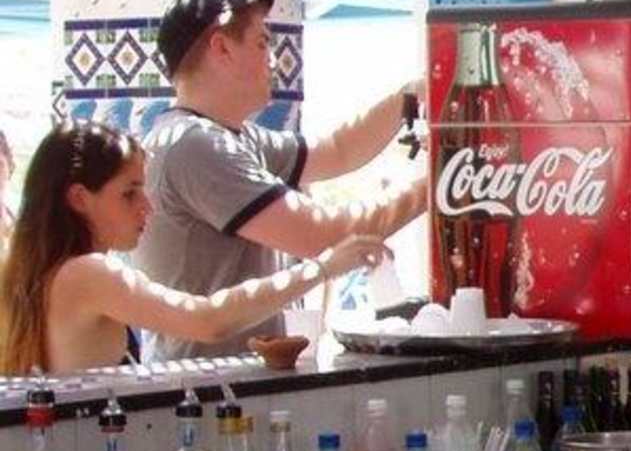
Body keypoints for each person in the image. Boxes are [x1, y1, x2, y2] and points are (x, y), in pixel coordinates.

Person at [134, 0, 425, 362]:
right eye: (262, 43)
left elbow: (338, 151)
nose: (273, 60)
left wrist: (411, 96)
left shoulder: (232, 136)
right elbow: (325, 236)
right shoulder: (195, 146)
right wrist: (442, 181)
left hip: (231, 376)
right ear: (221, 47)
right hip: (205, 382)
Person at [0, 121, 385, 375]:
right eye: (129, 193)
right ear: (80, 198)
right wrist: (321, 268)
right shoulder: (90, 273)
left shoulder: (24, 273)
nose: (147, 206)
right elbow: (207, 320)